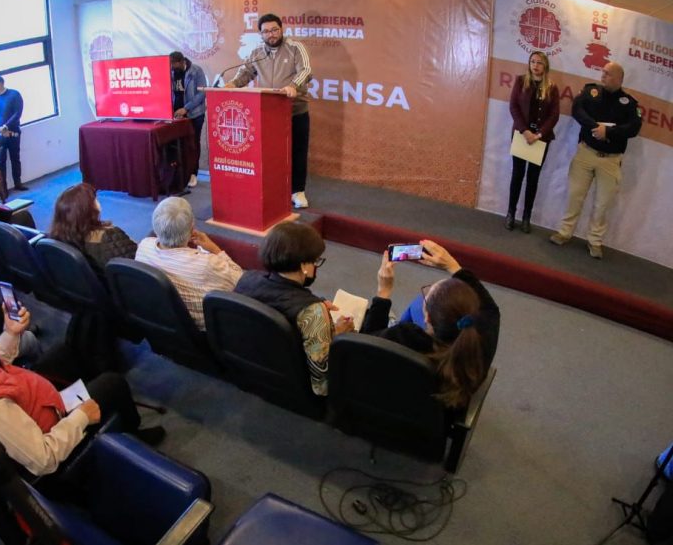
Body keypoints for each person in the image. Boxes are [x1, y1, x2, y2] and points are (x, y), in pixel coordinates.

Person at [0, 303, 163, 477]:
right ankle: (133, 435)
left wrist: (10, 333)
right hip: (58, 432)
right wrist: (82, 416)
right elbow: (44, 460)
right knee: (112, 384)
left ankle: (101, 394)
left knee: (63, 354)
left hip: (48, 406)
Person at [359, 240, 499, 410]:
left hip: (388, 406)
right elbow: (490, 307)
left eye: (428, 292)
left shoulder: (407, 337)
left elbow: (365, 345)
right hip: (434, 419)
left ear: (427, 318)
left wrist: (383, 293)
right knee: (417, 305)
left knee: (412, 307)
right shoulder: (482, 335)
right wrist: (453, 267)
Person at [234, 222, 356, 395]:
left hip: (252, 371)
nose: (316, 266)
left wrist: (316, 304)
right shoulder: (312, 311)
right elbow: (322, 385)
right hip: (294, 388)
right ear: (303, 266)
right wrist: (337, 335)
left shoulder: (246, 280)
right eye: (315, 261)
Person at [549, 62, 642, 259]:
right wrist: (595, 127)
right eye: (603, 72)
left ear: (619, 79)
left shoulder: (629, 103)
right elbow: (577, 109)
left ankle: (595, 241)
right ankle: (564, 232)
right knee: (575, 195)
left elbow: (633, 128)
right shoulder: (591, 92)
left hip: (610, 161)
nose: (602, 76)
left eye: (607, 74)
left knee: (602, 204)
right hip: (585, 154)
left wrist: (608, 131)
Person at [225, 13, 313, 209]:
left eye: (274, 30)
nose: (271, 34)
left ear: (281, 30)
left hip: (295, 111)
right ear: (261, 34)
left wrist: (293, 86)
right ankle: (274, 188)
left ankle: (297, 191)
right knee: (271, 154)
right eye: (266, 31)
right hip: (269, 113)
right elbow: (245, 73)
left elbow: (306, 71)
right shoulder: (257, 53)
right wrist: (232, 85)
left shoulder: (295, 47)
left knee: (297, 152)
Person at [134, 197, 243, 330]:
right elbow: (239, 279)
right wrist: (216, 250)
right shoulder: (206, 264)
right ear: (192, 229)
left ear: (155, 227)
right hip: (200, 331)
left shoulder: (144, 247)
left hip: (159, 322)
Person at [506, 51, 560, 233]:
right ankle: (511, 213)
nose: (535, 65)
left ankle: (526, 217)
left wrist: (539, 134)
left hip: (540, 140)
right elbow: (513, 107)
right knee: (517, 175)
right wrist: (525, 131)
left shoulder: (552, 88)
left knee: (533, 178)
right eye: (532, 62)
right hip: (521, 136)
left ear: (545, 66)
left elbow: (554, 115)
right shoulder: (521, 81)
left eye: (539, 63)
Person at [48, 183, 137, 277]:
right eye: (94, 199)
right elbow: (135, 263)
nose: (97, 201)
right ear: (86, 209)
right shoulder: (108, 235)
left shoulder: (57, 237)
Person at [170, 52, 208, 188]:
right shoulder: (171, 72)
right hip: (176, 115)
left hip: (194, 114)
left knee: (193, 145)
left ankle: (193, 173)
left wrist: (186, 109)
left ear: (181, 62)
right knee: (177, 145)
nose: (172, 68)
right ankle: (180, 174)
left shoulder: (196, 71)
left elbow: (202, 93)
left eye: (174, 65)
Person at [0, 75, 27, 191]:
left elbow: (17, 113)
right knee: (0, 162)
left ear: (0, 84)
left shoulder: (14, 95)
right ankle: (4, 189)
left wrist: (6, 126)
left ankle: (18, 183)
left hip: (13, 132)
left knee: (15, 158)